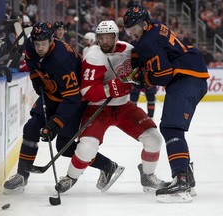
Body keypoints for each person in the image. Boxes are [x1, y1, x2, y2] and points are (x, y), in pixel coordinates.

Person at [4, 22, 122, 193]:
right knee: (31, 128)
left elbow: (72, 98)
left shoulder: (62, 60)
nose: (39, 48)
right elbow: (31, 61)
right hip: (52, 95)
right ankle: (22, 175)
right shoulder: (31, 44)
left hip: (73, 101)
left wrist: (55, 123)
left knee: (64, 146)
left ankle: (108, 166)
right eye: (37, 44)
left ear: (52, 40)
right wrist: (36, 77)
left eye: (43, 44)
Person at [55, 20, 168, 194]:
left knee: (154, 139)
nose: (105, 41)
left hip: (124, 106)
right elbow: (86, 91)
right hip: (98, 108)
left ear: (116, 37)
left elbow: (141, 73)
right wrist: (111, 89)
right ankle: (70, 177)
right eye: (101, 37)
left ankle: (148, 176)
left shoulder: (129, 50)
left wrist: (141, 78)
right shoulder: (93, 55)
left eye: (109, 37)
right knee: (86, 147)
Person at [123, 5, 210, 203]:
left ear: (144, 24)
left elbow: (163, 75)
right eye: (128, 30)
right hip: (191, 75)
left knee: (171, 127)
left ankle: (181, 181)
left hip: (186, 78)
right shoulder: (155, 27)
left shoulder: (147, 41)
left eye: (134, 28)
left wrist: (142, 79)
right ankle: (186, 176)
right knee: (171, 127)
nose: (132, 33)